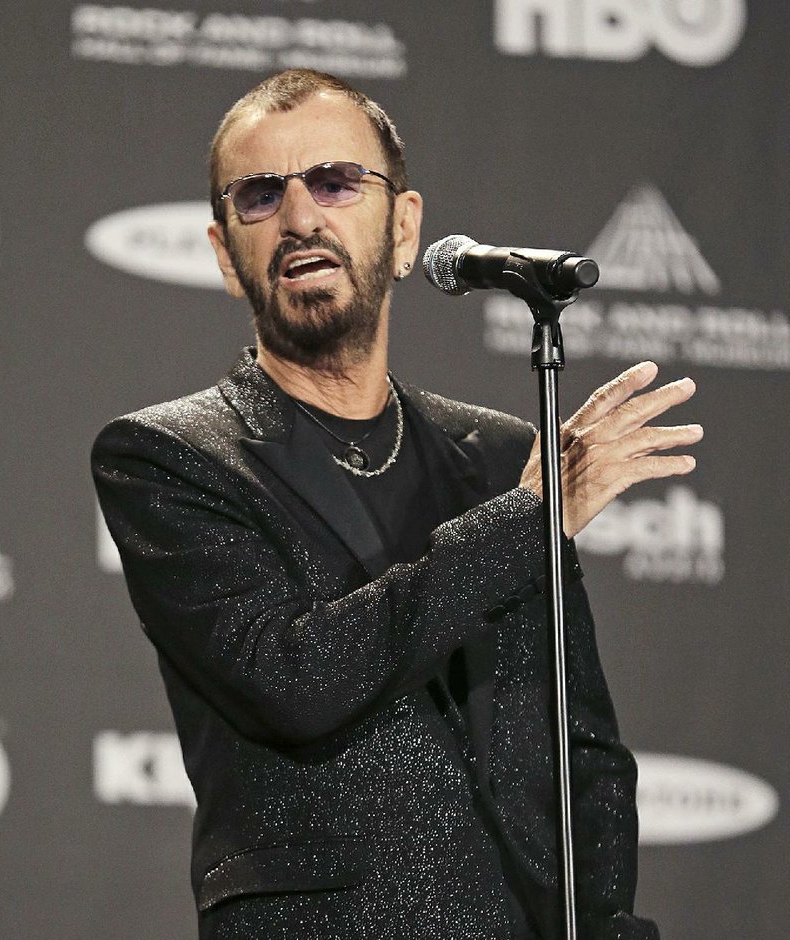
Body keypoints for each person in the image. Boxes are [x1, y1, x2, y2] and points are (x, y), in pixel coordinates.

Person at [92, 69, 702, 940]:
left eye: (336, 182)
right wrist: (528, 520)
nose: (302, 216)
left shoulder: (500, 458)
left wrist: (608, 925)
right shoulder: (171, 458)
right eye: (261, 195)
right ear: (226, 254)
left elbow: (582, 750)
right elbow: (292, 681)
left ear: (405, 226)